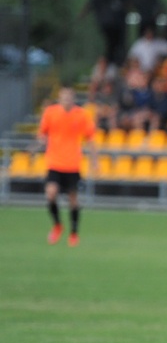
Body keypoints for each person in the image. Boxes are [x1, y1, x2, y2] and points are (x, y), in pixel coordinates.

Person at [36, 84, 98, 247]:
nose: (66, 99)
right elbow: (42, 133)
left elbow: (90, 138)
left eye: (69, 96)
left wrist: (94, 160)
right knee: (50, 193)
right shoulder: (51, 112)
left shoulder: (82, 115)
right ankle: (57, 224)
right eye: (63, 96)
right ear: (60, 98)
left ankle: (74, 233)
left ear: (73, 98)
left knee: (73, 200)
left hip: (72, 164)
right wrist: (40, 142)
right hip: (54, 162)